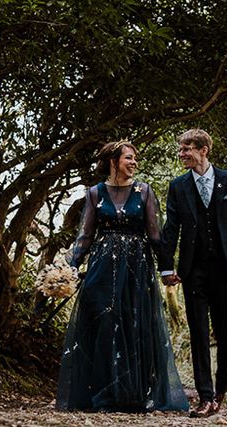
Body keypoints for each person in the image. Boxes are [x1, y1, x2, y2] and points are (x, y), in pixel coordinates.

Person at [56, 140, 189, 413]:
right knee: (103, 321)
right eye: (129, 158)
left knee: (133, 324)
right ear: (113, 161)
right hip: (102, 268)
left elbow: (155, 235)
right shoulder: (95, 193)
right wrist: (66, 268)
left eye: (135, 159)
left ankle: (132, 395)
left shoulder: (144, 192)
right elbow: (85, 237)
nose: (134, 163)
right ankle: (103, 393)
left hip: (136, 269)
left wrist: (167, 269)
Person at [160, 128, 227, 417]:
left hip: (226, 267)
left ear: (203, 150)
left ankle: (220, 393)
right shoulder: (178, 186)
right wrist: (167, 266)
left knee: (225, 332)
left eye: (187, 149)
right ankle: (204, 397)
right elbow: (171, 229)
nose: (182, 154)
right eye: (181, 149)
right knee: (198, 332)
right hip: (193, 270)